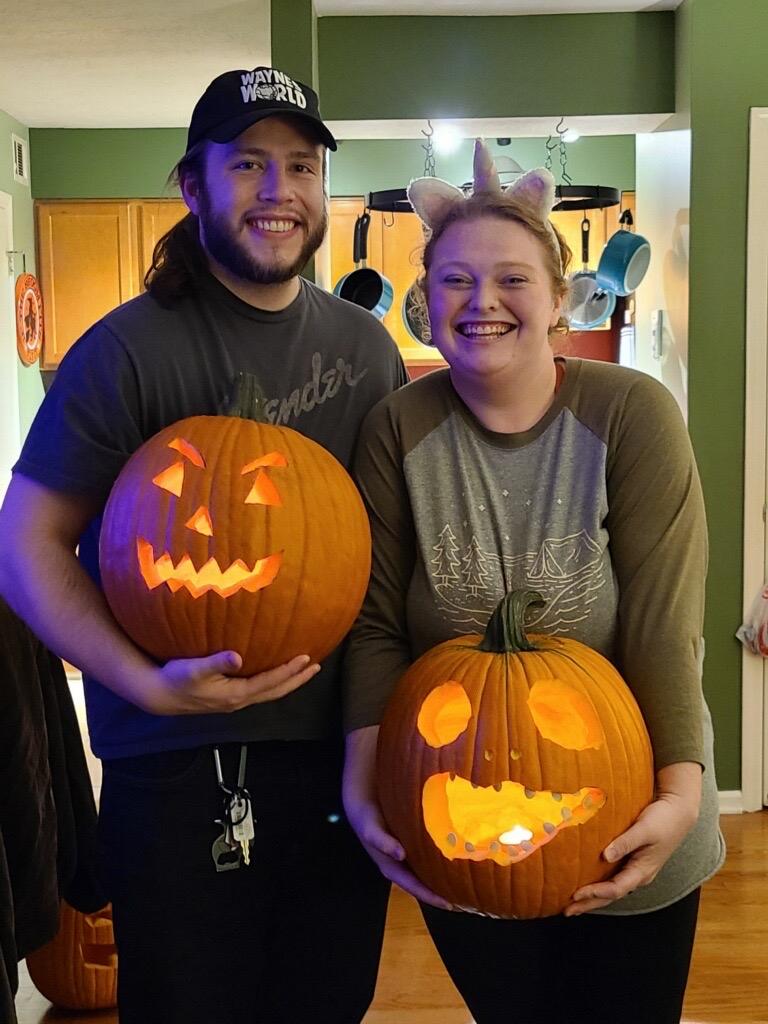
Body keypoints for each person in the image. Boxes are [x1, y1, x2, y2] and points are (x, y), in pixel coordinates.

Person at [0, 66, 406, 1024]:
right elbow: (26, 543)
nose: (279, 192)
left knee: (327, 1003)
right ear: (194, 184)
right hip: (173, 768)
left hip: (335, 761)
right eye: (250, 165)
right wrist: (142, 683)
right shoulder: (129, 350)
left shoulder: (364, 350)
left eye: (300, 167)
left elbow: (386, 553)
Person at [342, 140, 725, 1024]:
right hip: (462, 821)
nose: (483, 304)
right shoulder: (396, 429)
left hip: (633, 807)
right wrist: (363, 784)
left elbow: (665, 628)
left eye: (513, 280)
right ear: (425, 299)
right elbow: (372, 626)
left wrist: (676, 796)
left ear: (558, 297)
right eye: (455, 282)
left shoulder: (631, 415)